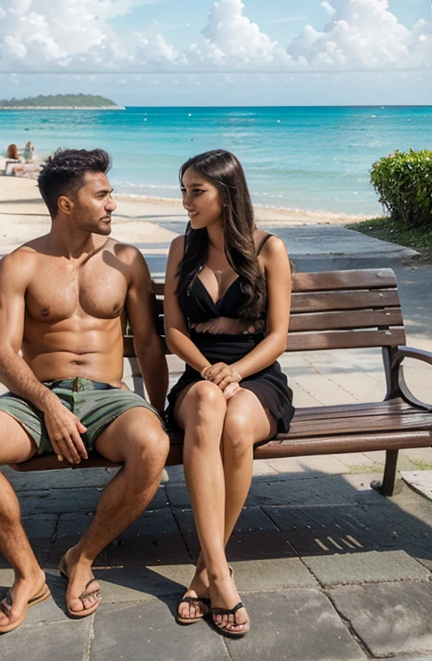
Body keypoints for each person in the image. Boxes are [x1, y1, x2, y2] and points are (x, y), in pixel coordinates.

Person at [0, 148, 169, 635]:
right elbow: (4, 356)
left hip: (108, 397)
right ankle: (28, 573)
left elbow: (150, 345)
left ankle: (82, 557)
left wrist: (161, 411)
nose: (113, 202)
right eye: (103, 194)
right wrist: (48, 404)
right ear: (67, 204)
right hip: (35, 395)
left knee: (152, 445)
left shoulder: (126, 260)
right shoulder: (20, 264)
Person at [164, 149, 294, 638]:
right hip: (200, 376)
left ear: (228, 193)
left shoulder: (269, 250)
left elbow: (277, 335)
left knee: (237, 425)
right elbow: (173, 330)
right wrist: (208, 369)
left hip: (256, 375)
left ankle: (204, 567)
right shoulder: (182, 248)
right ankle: (221, 573)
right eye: (183, 190)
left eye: (196, 191)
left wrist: (235, 370)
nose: (186, 202)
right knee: (208, 402)